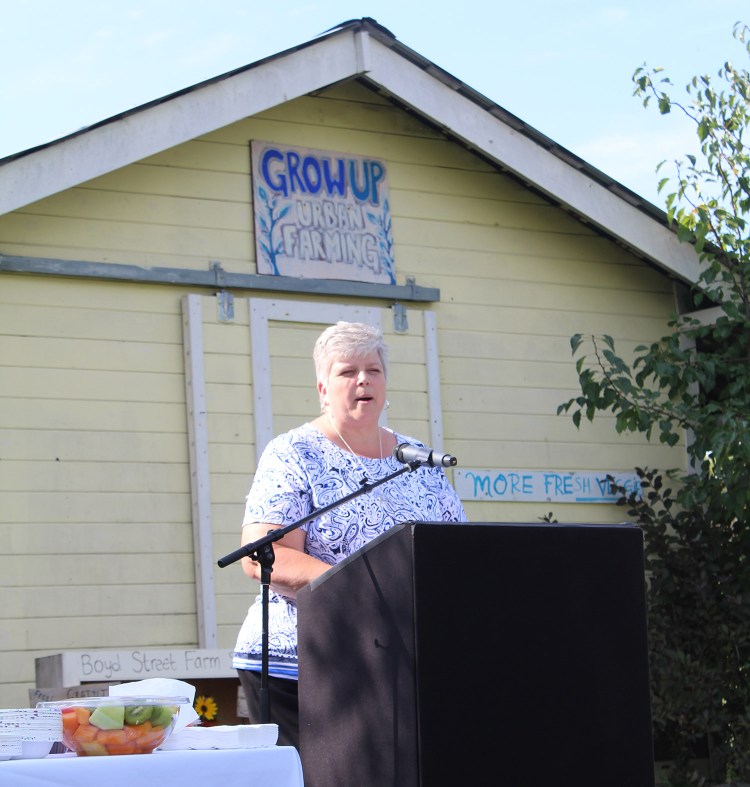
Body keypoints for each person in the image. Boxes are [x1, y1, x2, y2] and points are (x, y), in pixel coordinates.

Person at [232, 321, 467, 748]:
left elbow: (458, 557)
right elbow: (264, 556)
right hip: (303, 665)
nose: (363, 380)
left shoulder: (418, 461)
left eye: (373, 370)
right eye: (347, 371)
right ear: (323, 388)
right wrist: (362, 586)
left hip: (400, 663)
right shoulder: (294, 453)